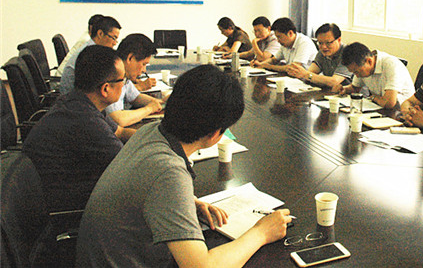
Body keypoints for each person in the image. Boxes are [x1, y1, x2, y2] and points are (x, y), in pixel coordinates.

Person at [76, 65, 291, 267]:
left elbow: (144, 189)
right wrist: (261, 233)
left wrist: (189, 202)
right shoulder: (168, 172)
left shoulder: (151, 131)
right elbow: (201, 266)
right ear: (215, 134)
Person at [23, 45, 125, 214]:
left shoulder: (77, 101)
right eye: (123, 80)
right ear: (106, 88)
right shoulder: (85, 120)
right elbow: (128, 165)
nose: (124, 84)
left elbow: (119, 131)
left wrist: (156, 133)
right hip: (65, 207)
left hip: (57, 191)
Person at [105, 34, 164, 130]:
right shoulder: (111, 75)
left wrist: (162, 102)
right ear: (130, 58)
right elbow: (118, 119)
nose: (144, 70)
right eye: (143, 64)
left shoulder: (126, 76)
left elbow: (136, 97)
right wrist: (149, 109)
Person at [333, 42, 414, 109]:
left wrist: (373, 97)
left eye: (357, 72)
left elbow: (389, 103)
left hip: (402, 112)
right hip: (381, 108)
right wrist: (344, 89)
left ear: (369, 61)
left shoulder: (391, 65)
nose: (357, 76)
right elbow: (355, 88)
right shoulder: (361, 67)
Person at [59, 16, 121, 95]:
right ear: (100, 34)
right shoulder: (89, 53)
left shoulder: (93, 48)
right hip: (73, 96)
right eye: (113, 38)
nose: (114, 43)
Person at [287, 23, 352, 88]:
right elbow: (311, 72)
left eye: (328, 43)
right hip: (331, 91)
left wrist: (306, 75)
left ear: (339, 40)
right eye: (320, 43)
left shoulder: (347, 53)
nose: (324, 47)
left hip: (350, 92)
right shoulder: (323, 52)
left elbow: (334, 82)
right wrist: (302, 74)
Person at [252, 17, 317, 72]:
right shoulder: (285, 44)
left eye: (279, 37)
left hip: (307, 80)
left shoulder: (304, 42)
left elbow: (294, 68)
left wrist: (270, 67)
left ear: (290, 33)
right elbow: (273, 60)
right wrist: (260, 64)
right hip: (293, 78)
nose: (278, 40)